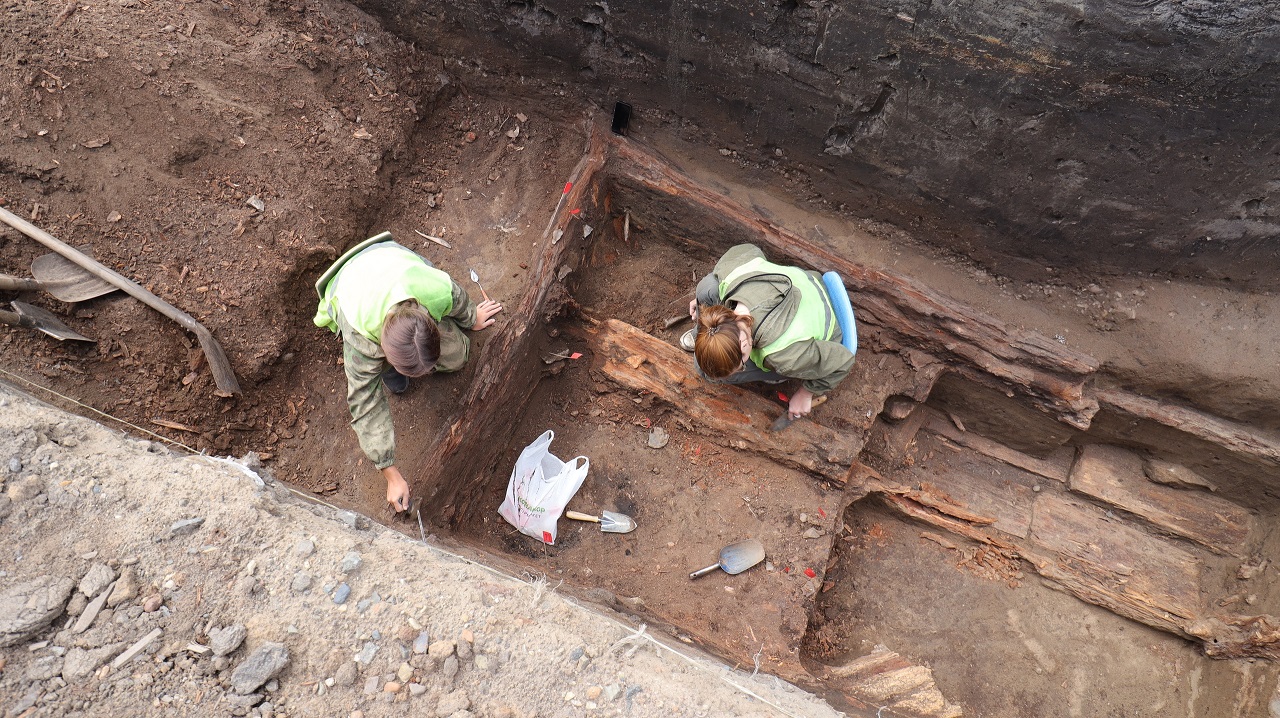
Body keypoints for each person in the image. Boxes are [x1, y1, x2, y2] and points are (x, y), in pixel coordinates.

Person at [313, 233, 502, 512]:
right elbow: (365, 405)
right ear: (381, 350)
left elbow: (456, 297)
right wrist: (390, 473)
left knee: (458, 355)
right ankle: (392, 373)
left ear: (429, 323)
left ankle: (409, 363)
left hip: (387, 256)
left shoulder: (432, 287)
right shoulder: (360, 339)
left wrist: (472, 317)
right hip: (347, 284)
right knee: (397, 385)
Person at [682, 243, 855, 420]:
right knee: (708, 289)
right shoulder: (732, 272)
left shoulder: (783, 357)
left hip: (827, 323)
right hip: (808, 282)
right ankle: (707, 337)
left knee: (706, 371)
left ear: (744, 345)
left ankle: (778, 375)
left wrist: (806, 393)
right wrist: (703, 308)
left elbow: (844, 361)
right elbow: (748, 249)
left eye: (742, 364)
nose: (742, 365)